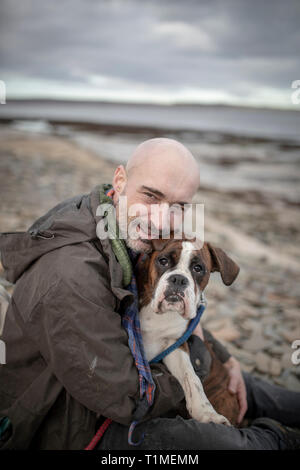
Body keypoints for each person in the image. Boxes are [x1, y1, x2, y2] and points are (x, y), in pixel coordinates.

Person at [0, 137, 299, 450]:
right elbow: (125, 397)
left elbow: (157, 302)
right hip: (69, 422)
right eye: (151, 196)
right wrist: (199, 369)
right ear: (121, 180)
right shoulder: (70, 275)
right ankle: (277, 439)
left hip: (118, 376)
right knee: (224, 444)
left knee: (245, 384)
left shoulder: (116, 223)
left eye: (178, 207)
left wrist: (224, 357)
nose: (161, 221)